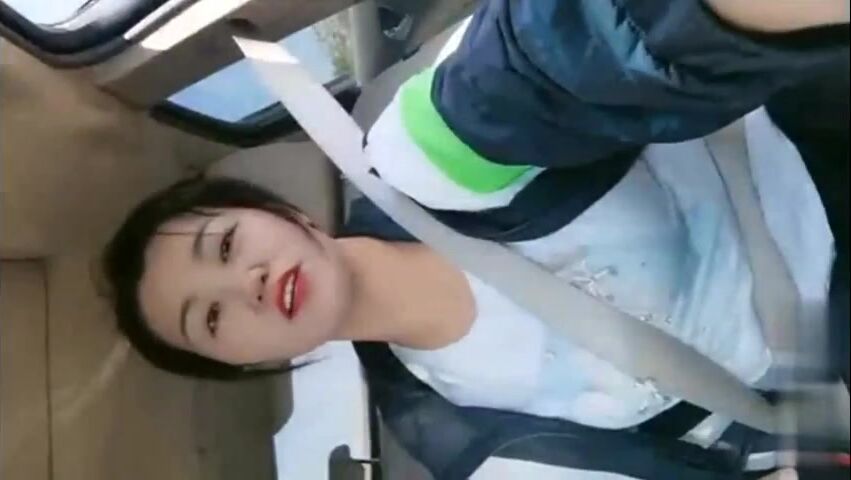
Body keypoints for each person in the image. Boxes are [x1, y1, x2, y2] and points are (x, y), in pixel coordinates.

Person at [104, 0, 849, 478]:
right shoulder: (470, 437)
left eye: (224, 246)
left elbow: (582, 46)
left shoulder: (422, 157)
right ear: (254, 363)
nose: (246, 284)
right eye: (210, 318)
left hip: (819, 146)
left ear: (285, 216)